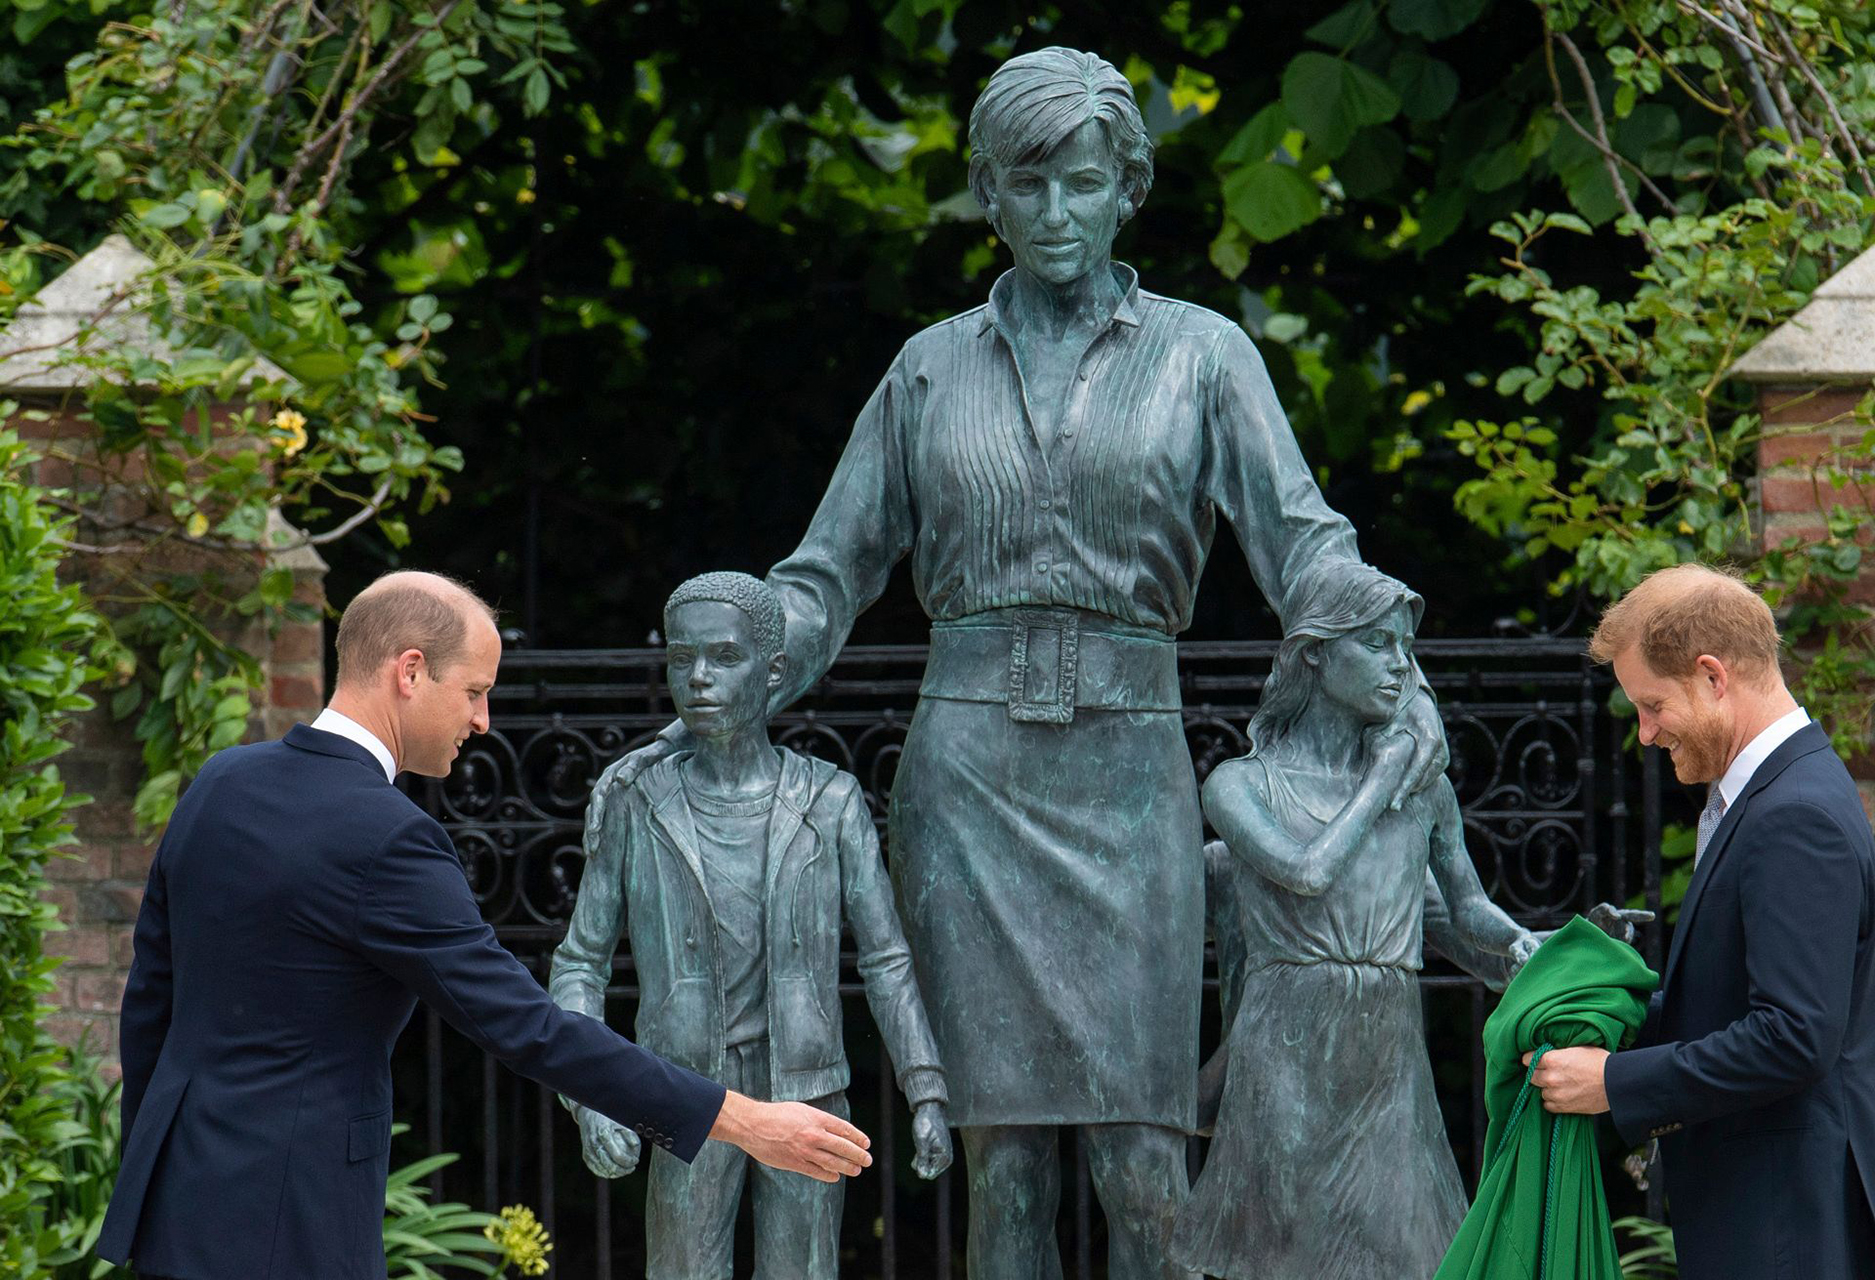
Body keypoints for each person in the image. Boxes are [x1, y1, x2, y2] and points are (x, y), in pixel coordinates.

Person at [591, 48, 1450, 1278]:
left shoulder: (1205, 357)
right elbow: (826, 573)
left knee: (1145, 1159)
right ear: (987, 195)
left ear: (1126, 190)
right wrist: (734, 667)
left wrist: (1395, 672)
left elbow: (1303, 544)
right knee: (1001, 1167)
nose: (1056, 215)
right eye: (1027, 186)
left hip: (1128, 770)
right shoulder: (928, 368)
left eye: (1083, 184)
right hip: (970, 783)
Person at [99, 571, 872, 1280]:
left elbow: (151, 1000)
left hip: (176, 1200)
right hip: (294, 1218)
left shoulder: (219, 783)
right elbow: (528, 1027)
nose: (483, 719)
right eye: (473, 690)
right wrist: (739, 1119)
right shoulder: (388, 837)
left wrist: (153, 1161)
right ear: (409, 672)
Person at [550, 572, 953, 1279]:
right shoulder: (637, 804)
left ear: (772, 673)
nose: (699, 678)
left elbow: (886, 960)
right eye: (682, 659)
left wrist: (926, 1088)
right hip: (681, 1091)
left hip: (807, 1089)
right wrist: (592, 1099)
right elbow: (580, 964)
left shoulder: (830, 803)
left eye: (724, 657)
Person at [1529, 563, 1875, 1280]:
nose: (1645, 734)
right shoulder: (1761, 795)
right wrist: (1600, 1019)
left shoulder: (1794, 814)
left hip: (1795, 1231)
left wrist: (1616, 1082)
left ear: (1713, 676)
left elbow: (1794, 1036)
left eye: (1652, 705)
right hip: (1778, 1217)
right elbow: (1733, 1005)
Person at [1171, 560, 1536, 1280]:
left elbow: (1468, 911)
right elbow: (1307, 874)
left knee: (1406, 1253)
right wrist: (1383, 777)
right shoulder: (1242, 784)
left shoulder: (1425, 793)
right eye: (1376, 644)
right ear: (1314, 653)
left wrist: (1537, 945)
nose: (1400, 667)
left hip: (1386, 1052)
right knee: (1282, 1255)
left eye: (1405, 647)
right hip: (1287, 1049)